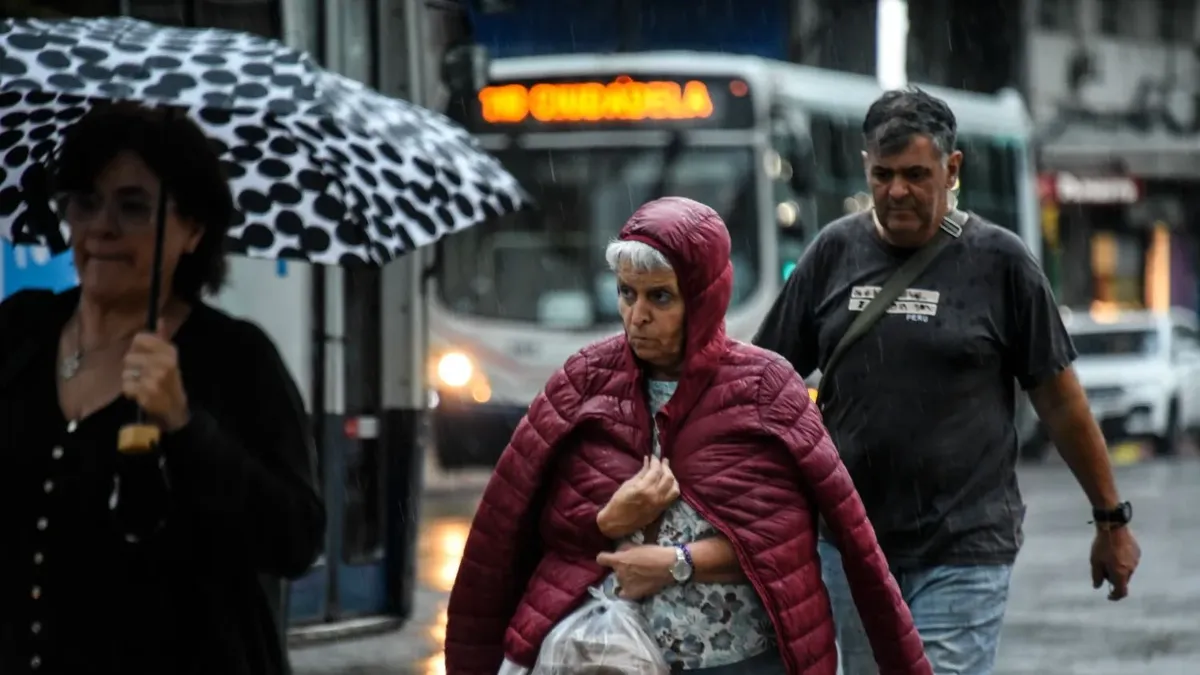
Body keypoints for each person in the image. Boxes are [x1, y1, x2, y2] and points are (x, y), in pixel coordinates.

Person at [445, 196, 932, 675]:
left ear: (702, 296)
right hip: (606, 657)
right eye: (626, 293)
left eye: (660, 296)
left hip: (737, 660)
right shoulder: (584, 380)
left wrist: (678, 562)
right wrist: (609, 519)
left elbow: (789, 544)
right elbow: (512, 532)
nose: (638, 316)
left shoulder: (763, 388)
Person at [753, 89, 1142, 675]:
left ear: (951, 168)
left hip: (965, 549)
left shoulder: (1000, 263)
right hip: (850, 548)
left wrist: (1111, 521)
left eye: (915, 174)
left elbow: (1062, 405)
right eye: (882, 174)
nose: (897, 191)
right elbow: (761, 381)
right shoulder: (833, 253)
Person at [0, 103, 325, 675]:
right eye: (84, 201)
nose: (101, 226)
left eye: (134, 207)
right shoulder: (20, 332)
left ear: (193, 230)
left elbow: (294, 539)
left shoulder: (235, 359)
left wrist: (185, 424)